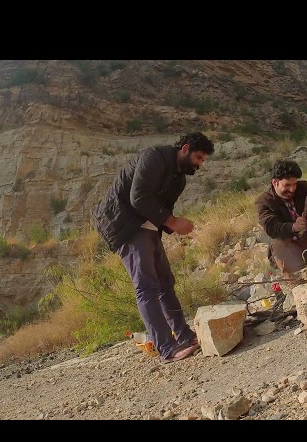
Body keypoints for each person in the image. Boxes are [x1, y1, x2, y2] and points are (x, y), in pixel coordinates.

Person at [92, 132, 215, 363]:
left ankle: (184, 336)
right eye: (198, 158)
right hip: (125, 227)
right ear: (185, 148)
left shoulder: (179, 178)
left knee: (165, 283)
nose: (200, 165)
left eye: (203, 160)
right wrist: (174, 222)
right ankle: (167, 348)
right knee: (146, 287)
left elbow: (162, 209)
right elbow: (138, 197)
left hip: (148, 228)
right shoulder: (154, 157)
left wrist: (172, 223)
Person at [255, 159, 307, 279]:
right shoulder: (264, 202)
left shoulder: (303, 187)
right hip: (291, 248)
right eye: (287, 185)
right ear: (275, 183)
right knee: (276, 243)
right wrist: (293, 227)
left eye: (294, 184)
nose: (292, 189)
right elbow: (271, 228)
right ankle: (296, 279)